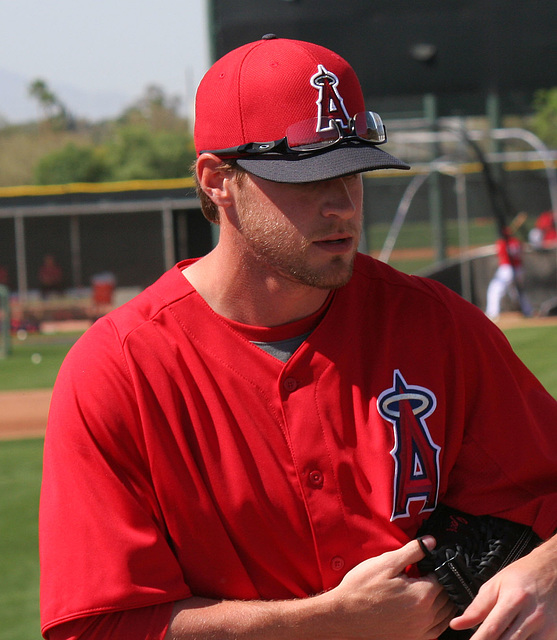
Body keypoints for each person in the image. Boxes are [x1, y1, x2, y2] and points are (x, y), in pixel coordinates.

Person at [39, 36, 557, 640]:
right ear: (217, 180)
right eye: (307, 178)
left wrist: (548, 568)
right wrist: (330, 622)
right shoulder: (121, 370)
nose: (341, 204)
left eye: (353, 170)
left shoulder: (436, 327)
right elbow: (96, 628)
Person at [485, 227, 533, 320]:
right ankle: (528, 311)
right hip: (518, 269)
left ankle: (492, 313)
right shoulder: (517, 242)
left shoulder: (502, 242)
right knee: (517, 292)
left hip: (506, 268)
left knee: (495, 290)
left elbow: (499, 255)